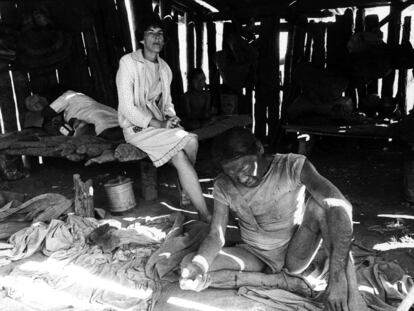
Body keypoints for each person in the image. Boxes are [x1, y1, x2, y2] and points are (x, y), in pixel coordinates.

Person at [180, 127, 367, 310]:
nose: (241, 178)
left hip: (295, 253)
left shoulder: (292, 166)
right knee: (189, 264)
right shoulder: (223, 184)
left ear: (259, 149)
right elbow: (216, 235)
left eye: (245, 168)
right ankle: (278, 281)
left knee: (321, 207)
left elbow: (339, 204)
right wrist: (199, 264)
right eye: (232, 173)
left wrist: (338, 278)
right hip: (254, 254)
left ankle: (287, 278)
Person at [116, 16, 211, 222]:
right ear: (141, 39)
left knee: (182, 156)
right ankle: (197, 203)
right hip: (136, 128)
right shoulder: (128, 63)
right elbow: (126, 107)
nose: (156, 37)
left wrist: (170, 116)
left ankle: (202, 212)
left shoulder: (164, 68)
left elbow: (167, 103)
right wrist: (159, 123)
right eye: (151, 32)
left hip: (159, 126)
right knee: (191, 140)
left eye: (160, 33)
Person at [24, 89, 123, 140]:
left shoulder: (67, 96)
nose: (36, 105)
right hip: (110, 114)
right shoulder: (75, 103)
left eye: (36, 103)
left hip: (99, 118)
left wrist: (41, 112)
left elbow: (47, 112)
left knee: (108, 135)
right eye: (33, 107)